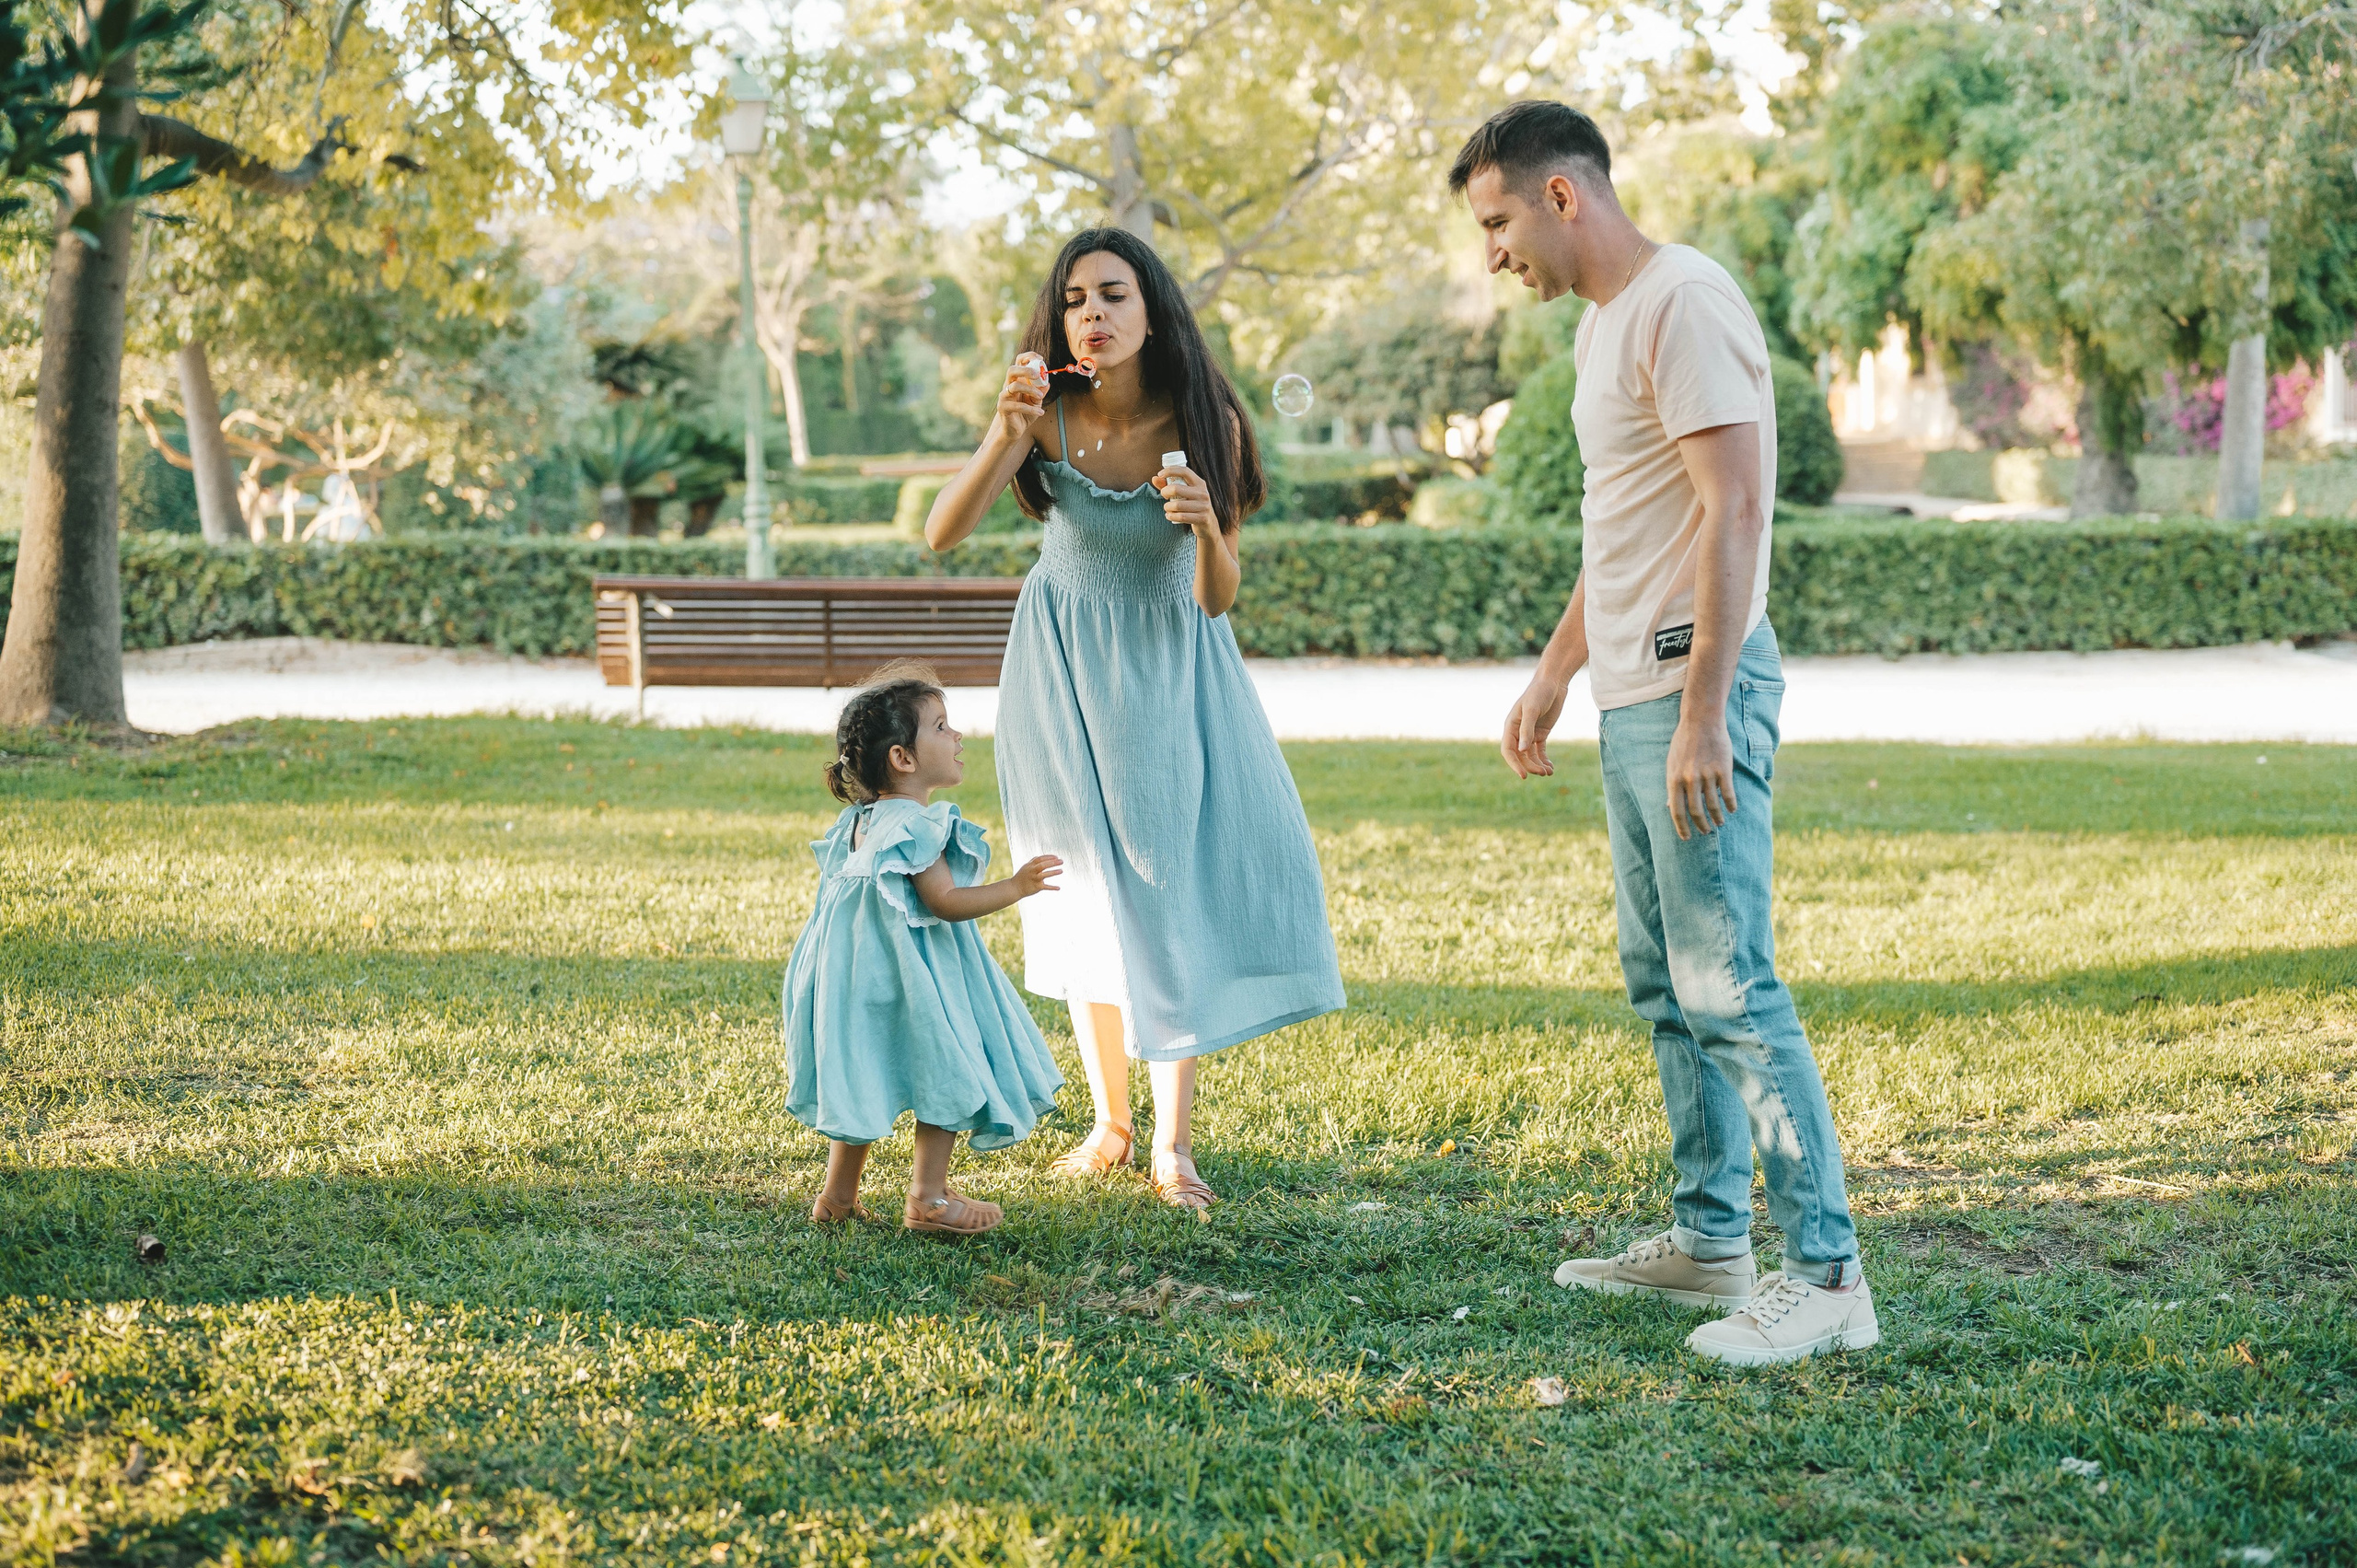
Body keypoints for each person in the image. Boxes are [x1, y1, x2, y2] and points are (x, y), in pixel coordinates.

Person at [1453, 101, 1881, 1365]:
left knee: (1729, 985)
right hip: (1634, 696)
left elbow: (1735, 508)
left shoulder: (1684, 299)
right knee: (1668, 984)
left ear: (1562, 194)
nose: (1493, 252)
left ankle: (1829, 1274)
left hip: (1698, 694)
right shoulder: (1605, 326)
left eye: (1498, 221)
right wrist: (1552, 677)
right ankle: (1709, 1238)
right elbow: (1626, 531)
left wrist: (1704, 709)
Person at [923, 227, 1345, 1210]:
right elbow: (943, 531)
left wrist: (1203, 527)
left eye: (1113, 294)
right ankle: (1109, 1123)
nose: (1092, 315)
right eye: (1074, 300)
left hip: (1165, 673)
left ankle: (1170, 1140)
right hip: (1058, 673)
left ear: (1152, 309)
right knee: (1077, 886)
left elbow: (1218, 597)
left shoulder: (1203, 420)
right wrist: (1001, 431)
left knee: (1159, 886)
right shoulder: (1044, 411)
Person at [782, 665, 1067, 1237]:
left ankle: (837, 1198)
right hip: (916, 977)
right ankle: (928, 1199)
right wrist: (1016, 887)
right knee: (946, 1064)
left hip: (853, 977)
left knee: (864, 1071)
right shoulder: (917, 826)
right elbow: (946, 901)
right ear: (903, 758)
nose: (956, 736)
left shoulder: (858, 822)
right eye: (940, 726)